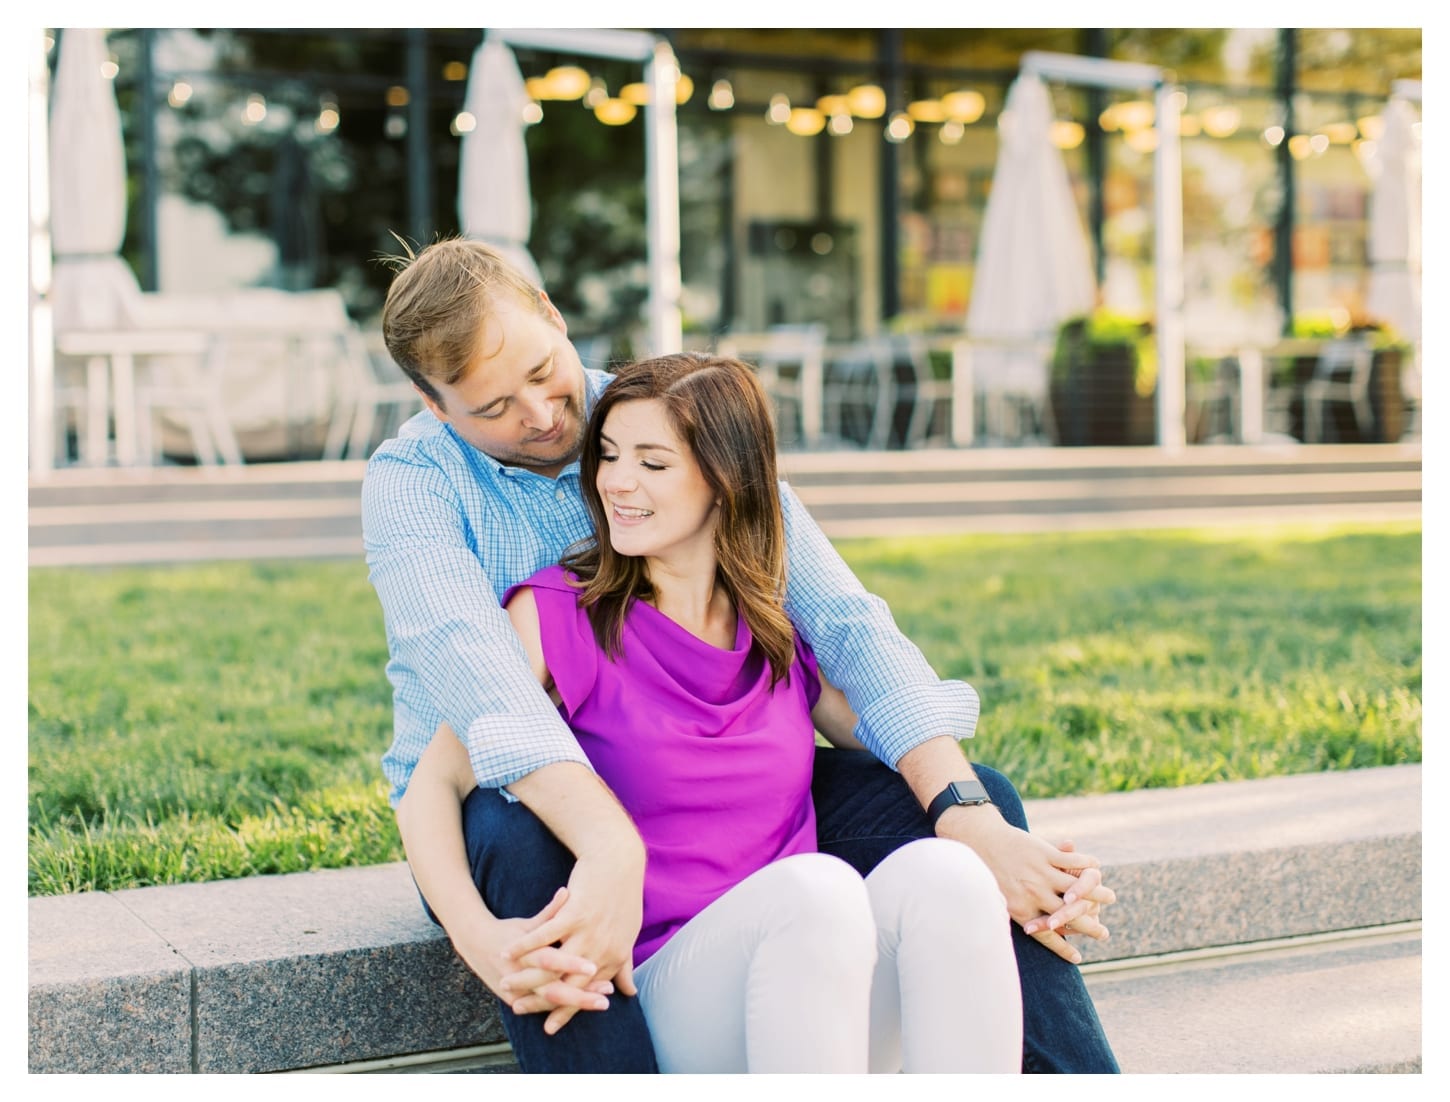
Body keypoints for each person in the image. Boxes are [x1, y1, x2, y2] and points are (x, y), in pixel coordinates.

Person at [362, 237, 1120, 1073]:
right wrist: (572, 877)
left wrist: (968, 811)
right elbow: (484, 694)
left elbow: (848, 628)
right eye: (494, 407)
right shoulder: (419, 486)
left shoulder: (656, 417)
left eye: (544, 372)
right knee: (520, 834)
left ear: (553, 315)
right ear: (434, 406)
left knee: (969, 811)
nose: (542, 415)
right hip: (517, 791)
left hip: (698, 770)